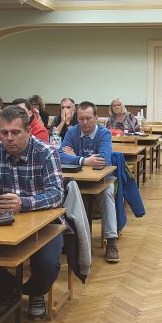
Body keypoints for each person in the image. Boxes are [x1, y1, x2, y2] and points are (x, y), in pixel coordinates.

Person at [0, 105, 64, 320]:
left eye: (15, 132)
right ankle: (8, 293)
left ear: (28, 131)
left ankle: (36, 293)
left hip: (44, 222)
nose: (9, 138)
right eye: (4, 132)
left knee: (48, 263)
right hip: (1, 220)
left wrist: (24, 203)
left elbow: (57, 194)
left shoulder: (46, 152)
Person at [60, 101, 120, 263]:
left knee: (107, 193)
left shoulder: (104, 133)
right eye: (81, 119)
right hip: (78, 180)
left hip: (103, 179)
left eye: (88, 118)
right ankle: (71, 239)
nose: (84, 122)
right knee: (63, 191)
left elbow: (103, 159)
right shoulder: (72, 131)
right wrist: (84, 160)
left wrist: (74, 157)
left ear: (96, 117)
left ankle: (111, 241)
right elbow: (60, 155)